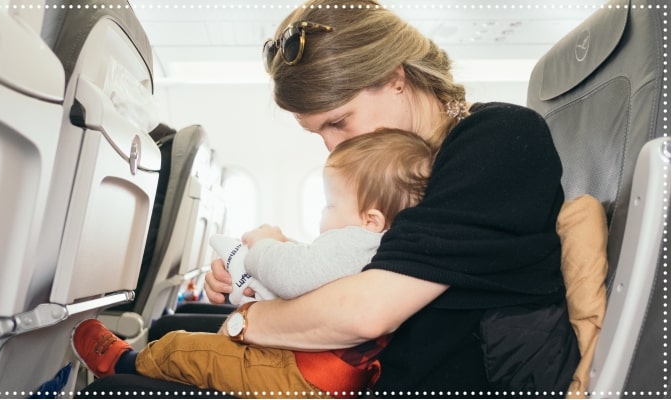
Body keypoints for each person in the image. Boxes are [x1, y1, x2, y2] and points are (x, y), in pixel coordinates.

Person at [82, 0, 581, 395]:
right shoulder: (407, 166)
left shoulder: (497, 139)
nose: (332, 146)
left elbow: (366, 312)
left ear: (396, 77)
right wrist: (254, 275)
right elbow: (369, 263)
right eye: (317, 132)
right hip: (361, 374)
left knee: (120, 387)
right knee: (168, 339)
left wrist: (246, 320)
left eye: (338, 121)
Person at [73, 129, 436, 398]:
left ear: (371, 219)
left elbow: (295, 276)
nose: (323, 217)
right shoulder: (383, 246)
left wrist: (264, 245)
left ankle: (123, 363)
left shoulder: (358, 240)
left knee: (187, 348)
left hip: (300, 378)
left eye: (329, 207)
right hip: (317, 376)